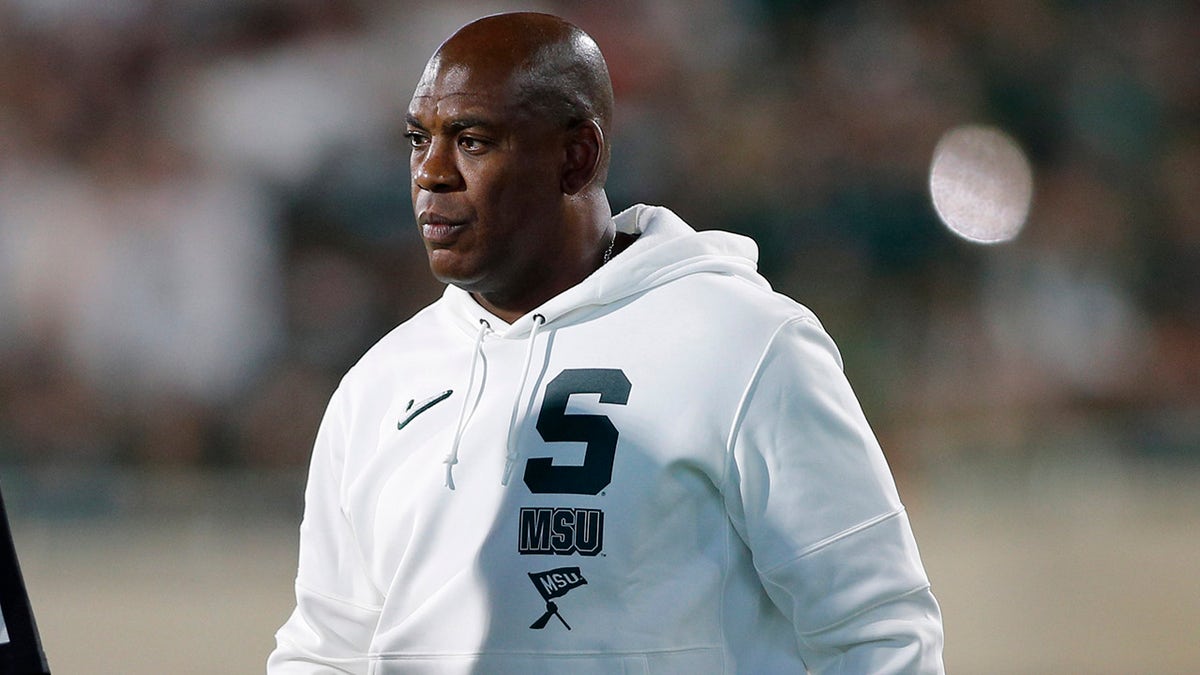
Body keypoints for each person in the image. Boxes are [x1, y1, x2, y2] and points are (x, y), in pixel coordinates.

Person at [269, 11, 943, 674]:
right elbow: (327, 648)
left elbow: (878, 629)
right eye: (420, 139)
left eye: (472, 140)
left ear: (576, 156)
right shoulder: (379, 383)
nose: (431, 173)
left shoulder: (745, 344)